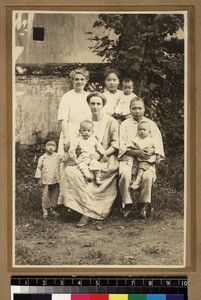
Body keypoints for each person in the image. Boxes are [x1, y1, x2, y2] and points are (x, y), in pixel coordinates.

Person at [58, 91, 119, 227]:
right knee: (70, 171)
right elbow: (78, 142)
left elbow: (116, 145)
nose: (95, 106)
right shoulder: (85, 122)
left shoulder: (111, 121)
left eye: (98, 103)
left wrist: (99, 155)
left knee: (92, 174)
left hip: (106, 158)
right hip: (85, 158)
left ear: (103, 105)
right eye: (92, 103)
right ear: (89, 105)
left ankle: (89, 212)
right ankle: (77, 208)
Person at [119, 97, 165, 218]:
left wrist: (153, 150)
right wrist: (137, 152)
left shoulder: (151, 124)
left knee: (147, 176)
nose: (137, 111)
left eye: (140, 108)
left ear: (144, 109)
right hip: (129, 158)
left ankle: (142, 204)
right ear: (130, 109)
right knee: (125, 174)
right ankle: (127, 203)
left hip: (145, 159)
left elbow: (158, 144)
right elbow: (122, 146)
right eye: (134, 108)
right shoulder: (125, 124)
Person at [57, 68, 91, 154]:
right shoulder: (67, 97)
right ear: (72, 81)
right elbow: (64, 119)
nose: (79, 81)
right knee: (68, 159)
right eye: (76, 79)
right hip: (70, 132)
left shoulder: (89, 96)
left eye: (82, 79)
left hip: (86, 133)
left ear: (86, 81)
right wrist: (65, 138)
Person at [68, 120, 108, 185]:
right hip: (82, 159)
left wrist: (103, 154)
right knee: (82, 166)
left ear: (92, 132)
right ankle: (87, 177)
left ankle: (97, 179)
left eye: (89, 131)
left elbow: (99, 147)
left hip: (91, 158)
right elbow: (72, 150)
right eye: (84, 130)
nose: (86, 132)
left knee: (96, 164)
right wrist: (74, 159)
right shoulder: (77, 140)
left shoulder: (93, 140)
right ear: (80, 131)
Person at [124, 121, 160, 190]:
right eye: (140, 130)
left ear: (149, 131)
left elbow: (157, 148)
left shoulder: (151, 140)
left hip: (147, 159)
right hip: (138, 159)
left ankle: (137, 181)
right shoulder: (136, 139)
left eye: (144, 130)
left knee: (141, 167)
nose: (142, 131)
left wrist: (157, 157)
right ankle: (134, 181)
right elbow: (128, 145)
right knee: (134, 167)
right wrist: (134, 148)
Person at [35, 134, 61, 218]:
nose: (51, 147)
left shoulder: (58, 156)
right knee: (45, 195)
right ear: (44, 146)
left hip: (55, 179)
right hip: (45, 180)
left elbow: (64, 160)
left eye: (53, 145)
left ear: (56, 147)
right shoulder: (43, 158)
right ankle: (45, 210)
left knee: (55, 194)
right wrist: (39, 179)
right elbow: (39, 168)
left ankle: (53, 209)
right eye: (48, 145)